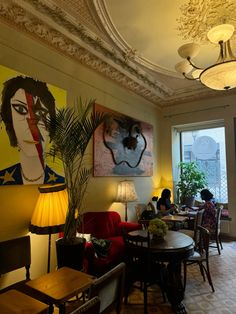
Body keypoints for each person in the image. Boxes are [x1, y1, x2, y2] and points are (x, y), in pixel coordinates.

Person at [0, 75, 64, 185]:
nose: (31, 127)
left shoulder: (59, 181)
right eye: (20, 109)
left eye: (40, 113)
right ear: (9, 118)